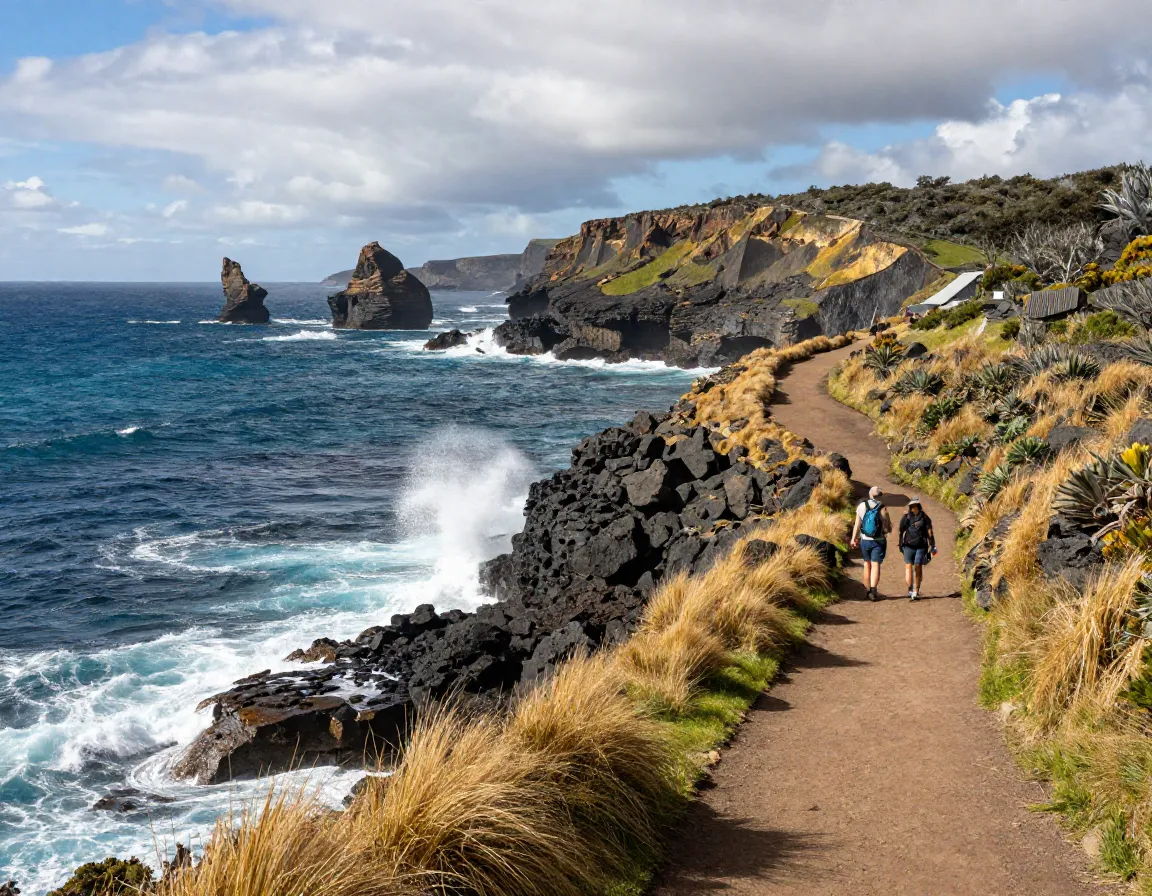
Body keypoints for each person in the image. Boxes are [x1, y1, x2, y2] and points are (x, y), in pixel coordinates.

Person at [849, 485, 892, 601]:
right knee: (875, 565)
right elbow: (888, 527)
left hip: (865, 540)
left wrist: (853, 538)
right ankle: (873, 592)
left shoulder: (862, 506)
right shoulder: (883, 506)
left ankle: (866, 590)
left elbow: (857, 524)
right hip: (878, 541)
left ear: (869, 494)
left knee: (866, 564)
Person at [899, 497, 937, 601]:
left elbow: (901, 531)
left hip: (908, 545)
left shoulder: (906, 517)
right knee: (918, 567)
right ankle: (916, 591)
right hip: (921, 545)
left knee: (908, 567)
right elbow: (930, 532)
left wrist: (900, 543)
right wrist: (932, 544)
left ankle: (910, 590)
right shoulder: (925, 517)